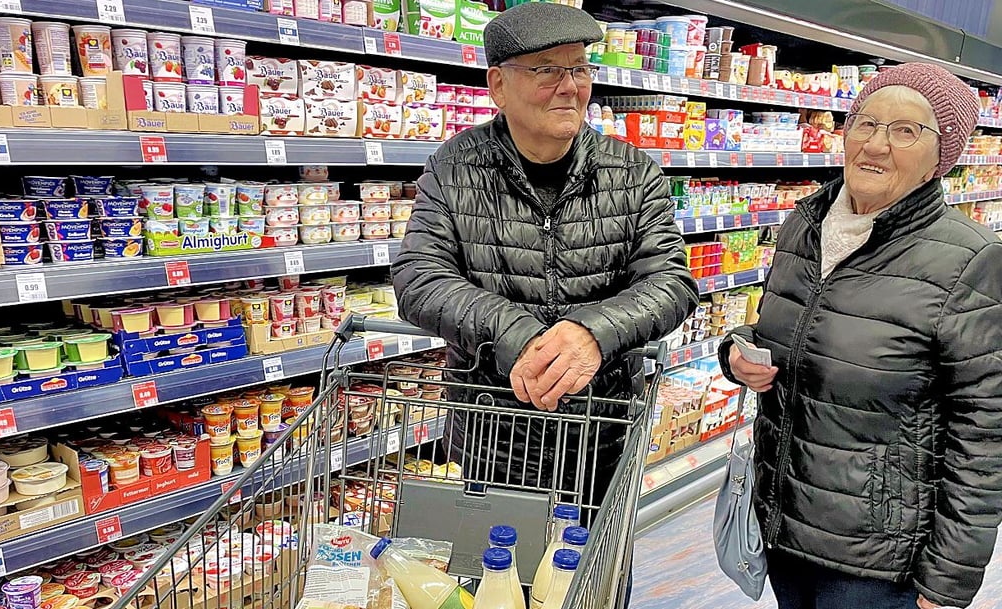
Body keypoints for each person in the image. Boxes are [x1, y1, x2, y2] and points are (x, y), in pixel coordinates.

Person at [391, 1, 698, 509]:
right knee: (493, 559)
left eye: (579, 69)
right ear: (498, 86)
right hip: (493, 439)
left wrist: (593, 332)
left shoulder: (633, 173)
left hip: (601, 438)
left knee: (594, 561)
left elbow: (671, 283)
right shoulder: (455, 167)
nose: (569, 86)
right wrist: (513, 332)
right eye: (547, 70)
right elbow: (418, 278)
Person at [719, 63, 1002, 609]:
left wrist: (949, 580)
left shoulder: (972, 260)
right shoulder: (804, 225)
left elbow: (985, 434)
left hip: (877, 561)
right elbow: (794, 329)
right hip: (784, 527)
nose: (875, 144)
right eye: (866, 123)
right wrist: (738, 353)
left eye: (905, 130)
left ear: (939, 159)